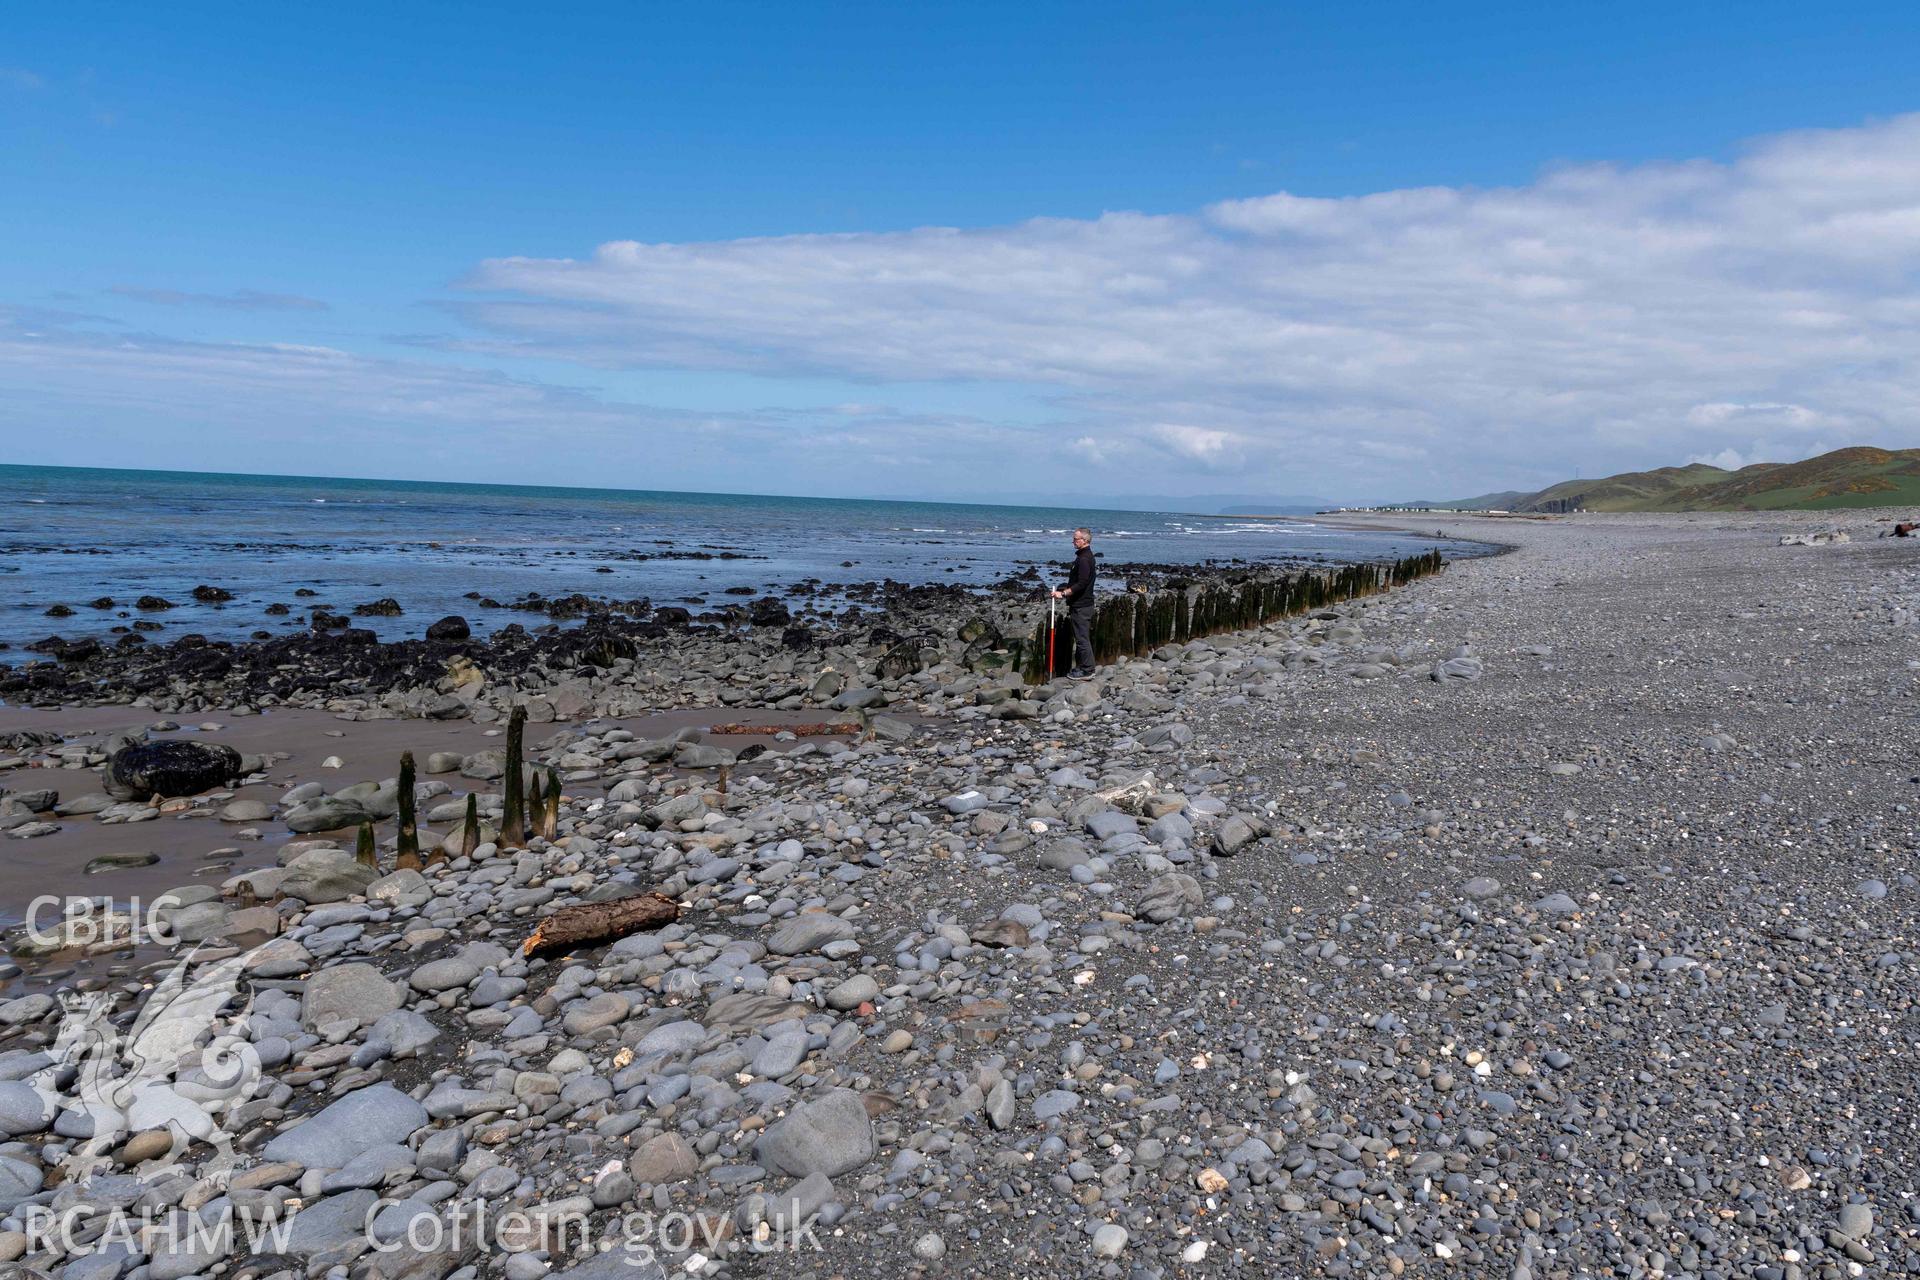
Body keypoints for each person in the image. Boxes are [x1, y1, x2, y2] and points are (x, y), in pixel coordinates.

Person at [1051, 527, 1096, 679]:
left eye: (1076, 539)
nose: (1073, 542)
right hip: (1081, 603)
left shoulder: (1084, 559)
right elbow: (1081, 581)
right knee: (1081, 637)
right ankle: (1083, 667)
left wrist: (1063, 593)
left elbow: (1082, 583)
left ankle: (1088, 670)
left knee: (1082, 638)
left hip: (1082, 605)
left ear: (1085, 540)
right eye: (1073, 539)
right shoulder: (1085, 556)